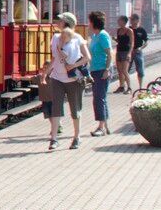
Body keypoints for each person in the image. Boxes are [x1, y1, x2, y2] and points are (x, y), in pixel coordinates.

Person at [39, 12, 89, 150]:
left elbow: (87, 57)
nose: (57, 22)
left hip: (73, 79)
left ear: (67, 23)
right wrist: (45, 74)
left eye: (60, 20)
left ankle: (77, 137)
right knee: (56, 108)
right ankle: (54, 139)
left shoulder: (77, 38)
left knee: (75, 109)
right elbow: (55, 59)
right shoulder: (55, 38)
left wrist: (73, 66)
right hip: (57, 78)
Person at [86, 11, 113, 136]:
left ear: (93, 23)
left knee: (99, 98)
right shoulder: (95, 36)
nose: (88, 24)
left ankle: (101, 127)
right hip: (95, 70)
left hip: (102, 70)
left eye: (89, 22)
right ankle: (105, 126)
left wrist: (107, 69)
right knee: (99, 98)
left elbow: (109, 54)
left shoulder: (102, 35)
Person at [114, 14, 133, 93]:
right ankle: (121, 86)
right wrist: (115, 39)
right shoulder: (118, 30)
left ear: (124, 21)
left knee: (125, 70)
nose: (118, 22)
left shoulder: (129, 31)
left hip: (126, 52)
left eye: (120, 20)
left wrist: (129, 53)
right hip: (119, 51)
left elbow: (132, 43)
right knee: (119, 71)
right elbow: (119, 41)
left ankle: (129, 87)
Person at [130, 12, 149, 90]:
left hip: (138, 51)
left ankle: (140, 87)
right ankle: (127, 87)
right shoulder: (129, 29)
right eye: (130, 19)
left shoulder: (141, 30)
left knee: (140, 70)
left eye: (132, 19)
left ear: (137, 20)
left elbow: (146, 42)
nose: (131, 21)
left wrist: (141, 48)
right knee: (126, 70)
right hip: (129, 52)